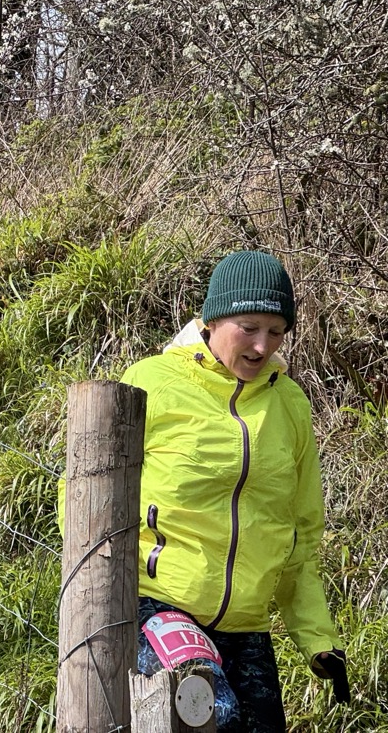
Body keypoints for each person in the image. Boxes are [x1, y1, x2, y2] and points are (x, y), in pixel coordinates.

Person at [124, 250, 349, 731]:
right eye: (249, 327)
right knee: (211, 713)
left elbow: (299, 538)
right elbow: (83, 496)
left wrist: (317, 640)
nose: (262, 346)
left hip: (246, 623)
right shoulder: (151, 382)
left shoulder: (290, 405)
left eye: (276, 332)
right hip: (160, 601)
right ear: (212, 318)